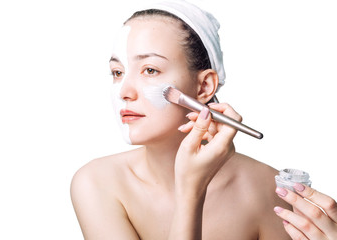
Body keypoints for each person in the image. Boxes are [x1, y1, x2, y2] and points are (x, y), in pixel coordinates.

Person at [70, 0, 336, 239]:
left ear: (205, 86)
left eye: (150, 70)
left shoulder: (269, 189)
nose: (125, 92)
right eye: (117, 72)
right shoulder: (96, 183)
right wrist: (189, 192)